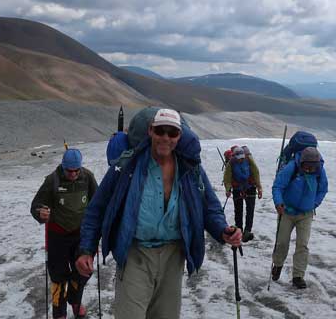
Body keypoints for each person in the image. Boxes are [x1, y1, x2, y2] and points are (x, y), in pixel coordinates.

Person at [75, 108, 242, 318]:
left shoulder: (190, 169)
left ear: (179, 136)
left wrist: (223, 230)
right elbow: (97, 209)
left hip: (173, 256)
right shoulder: (127, 166)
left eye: (172, 133)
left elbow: (209, 206)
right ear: (150, 131)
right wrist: (86, 249)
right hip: (136, 252)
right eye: (160, 131)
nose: (165, 138)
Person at [31, 149, 98, 319]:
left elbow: (98, 201)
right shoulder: (52, 180)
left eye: (77, 170)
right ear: (63, 166)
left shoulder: (87, 177)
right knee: (58, 277)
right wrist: (40, 212)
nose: (74, 174)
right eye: (70, 171)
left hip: (80, 236)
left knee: (83, 271)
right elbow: (36, 204)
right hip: (57, 236)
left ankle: (75, 301)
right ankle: (59, 313)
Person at [271, 146, 328, 289]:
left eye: (312, 167)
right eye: (307, 166)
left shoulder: (320, 171)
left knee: (302, 244)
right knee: (282, 242)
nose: (309, 169)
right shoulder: (292, 168)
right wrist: (278, 203)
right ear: (301, 162)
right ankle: (277, 265)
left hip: (306, 214)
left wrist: (314, 203)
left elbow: (323, 189)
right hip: (287, 211)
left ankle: (298, 276)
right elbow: (278, 186)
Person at [222, 146, 262, 242]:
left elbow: (256, 173)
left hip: (250, 187)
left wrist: (259, 188)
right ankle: (239, 230)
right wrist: (228, 190)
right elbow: (227, 179)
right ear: (234, 157)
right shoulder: (231, 164)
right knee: (238, 210)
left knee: (250, 210)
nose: (241, 160)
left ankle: (247, 231)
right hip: (237, 188)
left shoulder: (249, 160)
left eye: (242, 158)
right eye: (239, 158)